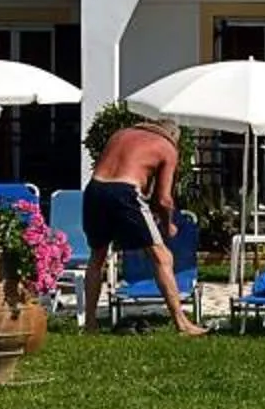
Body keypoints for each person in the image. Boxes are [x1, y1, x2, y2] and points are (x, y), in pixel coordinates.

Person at [82, 116, 206, 335]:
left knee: (97, 258)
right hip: (125, 192)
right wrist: (168, 226)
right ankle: (182, 324)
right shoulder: (167, 147)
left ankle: (90, 324)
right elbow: (164, 200)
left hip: (94, 189)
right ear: (174, 137)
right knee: (162, 256)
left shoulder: (120, 135)